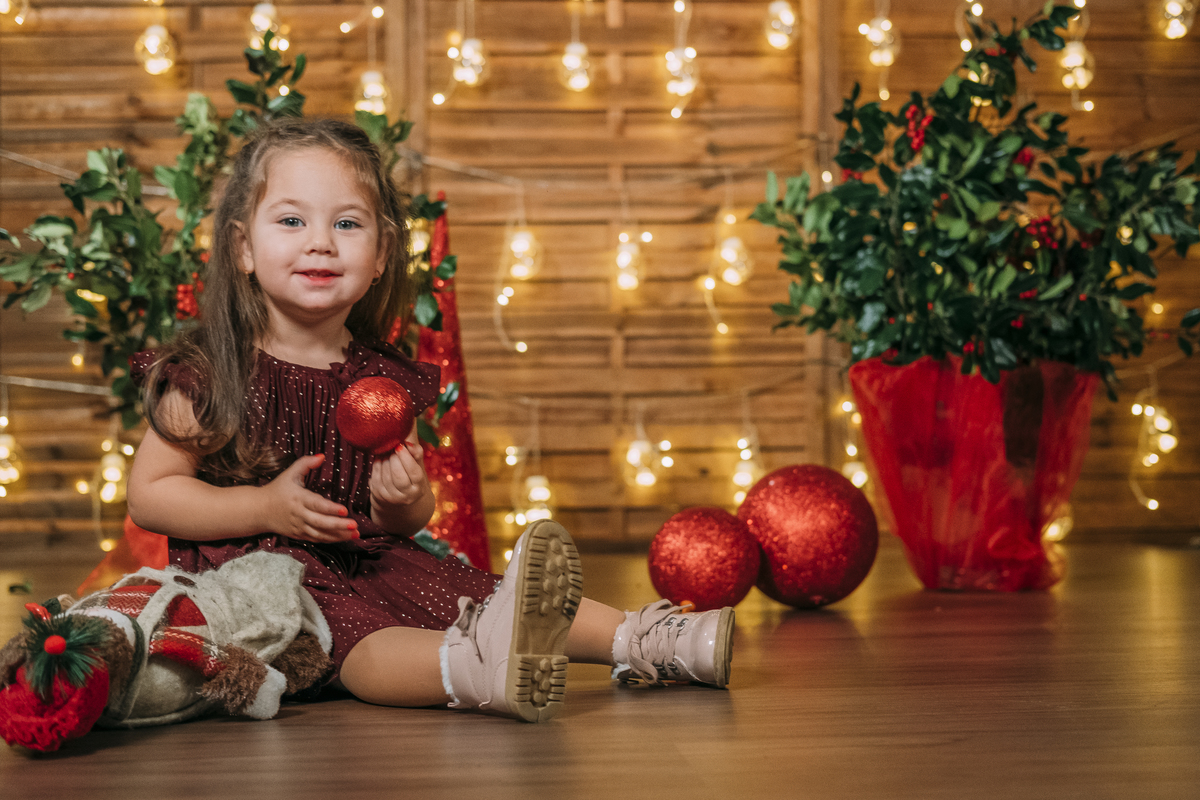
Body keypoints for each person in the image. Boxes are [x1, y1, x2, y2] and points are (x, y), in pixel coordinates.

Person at [126, 118, 734, 723]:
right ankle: (469, 668)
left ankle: (651, 641)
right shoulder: (212, 372)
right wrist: (261, 508)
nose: (320, 242)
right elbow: (151, 496)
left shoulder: (378, 382)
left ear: (381, 254)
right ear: (243, 248)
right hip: (263, 584)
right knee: (353, 640)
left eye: (346, 223)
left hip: (369, 559)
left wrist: (402, 498)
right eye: (291, 221)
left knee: (488, 593)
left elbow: (408, 520)